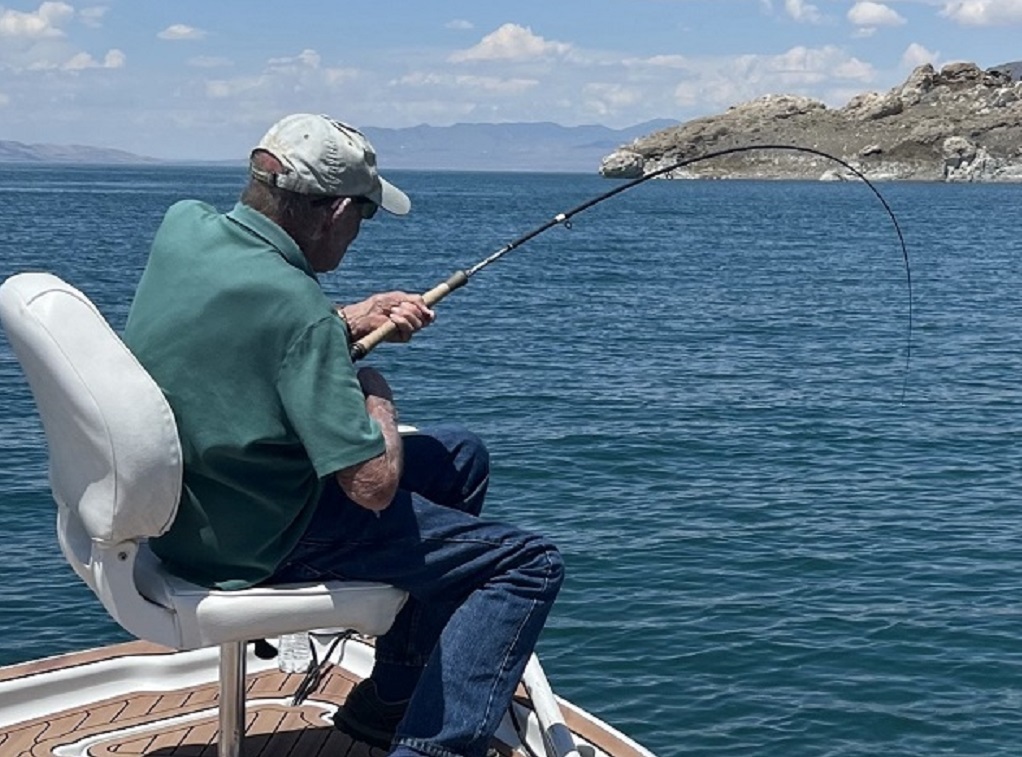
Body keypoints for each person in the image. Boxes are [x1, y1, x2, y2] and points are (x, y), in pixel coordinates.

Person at [123, 113, 564, 757]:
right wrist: (374, 392)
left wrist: (349, 317)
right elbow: (372, 487)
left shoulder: (185, 227)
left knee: (460, 457)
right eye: (365, 215)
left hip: (196, 507)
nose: (360, 232)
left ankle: (386, 702)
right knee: (526, 564)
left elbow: (251, 318)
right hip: (258, 539)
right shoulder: (299, 312)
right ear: (333, 211)